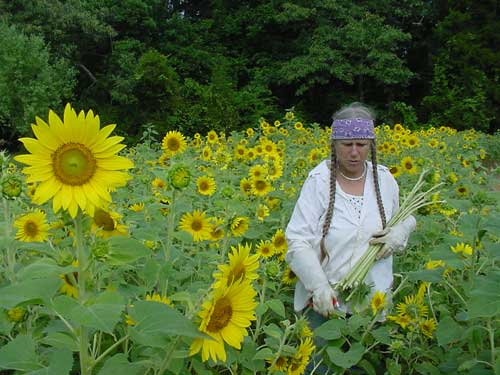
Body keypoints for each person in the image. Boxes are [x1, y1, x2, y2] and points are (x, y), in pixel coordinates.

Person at [285, 102, 416, 322]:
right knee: (320, 354)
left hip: (372, 303)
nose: (354, 152)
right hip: (325, 302)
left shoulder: (384, 180)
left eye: (361, 144)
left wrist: (400, 233)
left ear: (371, 146)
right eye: (347, 144)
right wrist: (318, 286)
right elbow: (297, 239)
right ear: (334, 145)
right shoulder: (319, 182)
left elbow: (405, 217)